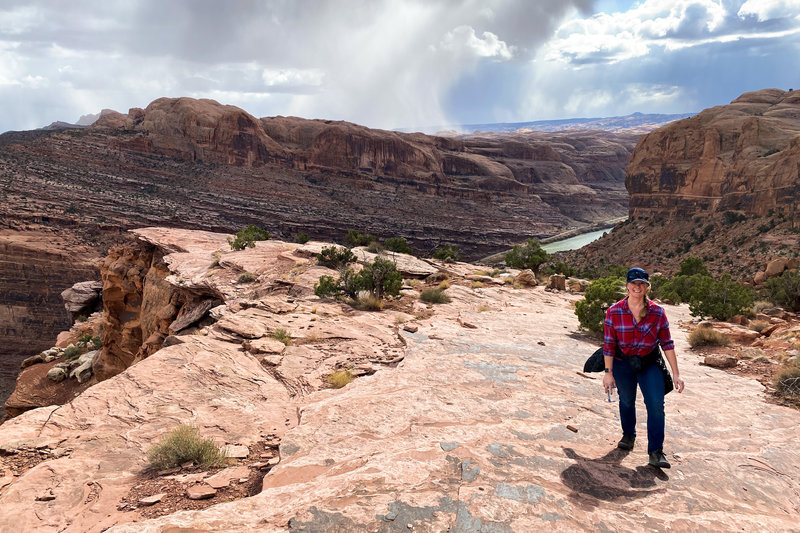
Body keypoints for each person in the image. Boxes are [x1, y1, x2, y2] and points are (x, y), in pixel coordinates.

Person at [602, 267, 685, 468]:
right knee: (627, 401)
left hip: (649, 363)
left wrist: (676, 374)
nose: (637, 287)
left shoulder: (657, 312)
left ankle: (656, 452)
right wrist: (608, 373)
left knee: (656, 404)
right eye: (634, 283)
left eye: (641, 283)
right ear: (627, 286)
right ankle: (628, 435)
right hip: (623, 363)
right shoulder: (614, 311)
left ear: (647, 287)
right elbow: (609, 344)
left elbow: (667, 343)